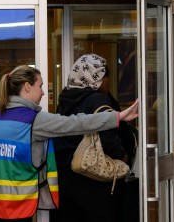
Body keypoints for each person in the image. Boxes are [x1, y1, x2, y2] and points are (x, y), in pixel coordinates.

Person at [0, 65, 139, 222]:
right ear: (27, 87)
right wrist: (118, 117)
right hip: (18, 207)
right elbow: (76, 123)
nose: (43, 93)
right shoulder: (33, 120)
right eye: (39, 86)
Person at [51, 53, 139, 222]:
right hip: (93, 180)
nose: (108, 82)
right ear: (97, 77)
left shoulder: (65, 98)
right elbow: (108, 136)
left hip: (66, 178)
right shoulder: (98, 99)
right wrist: (123, 157)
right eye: (106, 77)